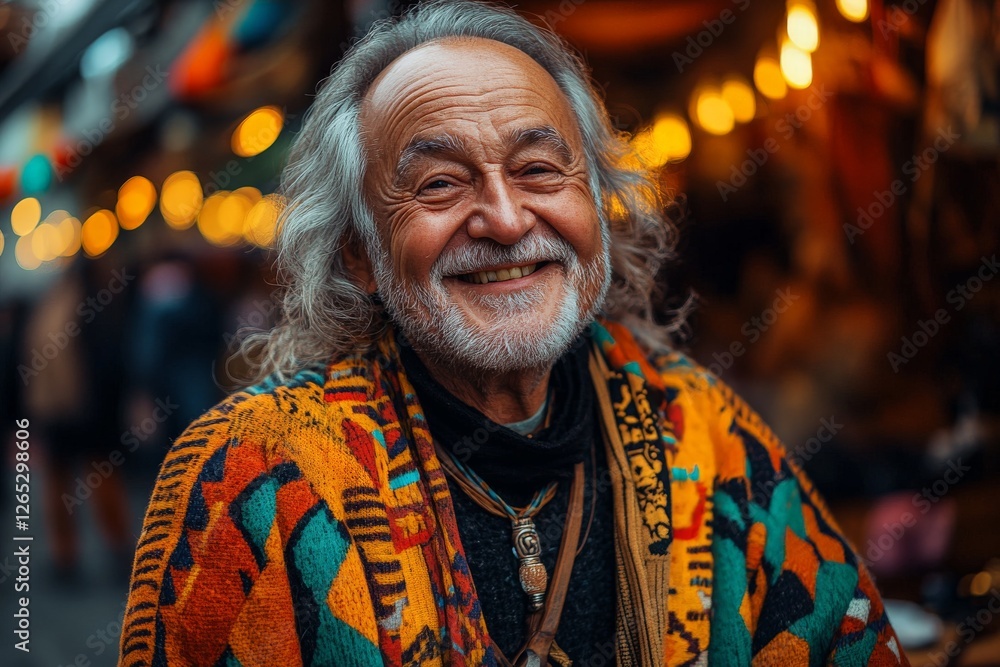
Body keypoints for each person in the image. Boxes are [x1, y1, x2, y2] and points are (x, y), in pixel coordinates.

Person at [120, 1, 907, 665]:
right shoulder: (257, 479)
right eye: (439, 184)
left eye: (539, 170)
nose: (503, 219)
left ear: (597, 208)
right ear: (360, 254)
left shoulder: (707, 438)